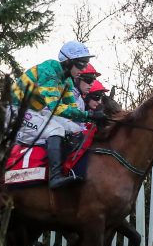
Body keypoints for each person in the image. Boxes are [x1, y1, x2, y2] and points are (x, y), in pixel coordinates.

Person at [9, 40, 107, 189]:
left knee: (75, 128)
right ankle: (55, 178)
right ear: (68, 62)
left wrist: (91, 115)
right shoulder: (48, 72)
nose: (84, 68)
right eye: (81, 63)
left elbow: (72, 109)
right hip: (16, 113)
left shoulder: (66, 79)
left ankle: (67, 167)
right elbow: (58, 108)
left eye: (86, 63)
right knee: (56, 130)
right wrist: (89, 114)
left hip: (35, 111)